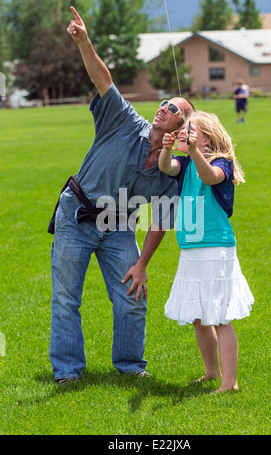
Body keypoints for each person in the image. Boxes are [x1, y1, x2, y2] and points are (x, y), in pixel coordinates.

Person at [48, 6, 194, 383]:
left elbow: (161, 220)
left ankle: (130, 366)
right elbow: (104, 80)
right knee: (66, 300)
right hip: (75, 216)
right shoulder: (124, 119)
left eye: (174, 108)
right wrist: (84, 42)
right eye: (165, 103)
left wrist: (142, 263)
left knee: (132, 296)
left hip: (117, 227)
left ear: (182, 126)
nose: (165, 107)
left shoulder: (170, 170)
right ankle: (67, 373)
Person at [159, 110, 254, 393]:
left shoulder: (220, 163)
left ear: (207, 140)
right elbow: (167, 168)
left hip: (216, 249)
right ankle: (212, 372)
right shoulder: (186, 165)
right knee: (199, 316)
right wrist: (166, 150)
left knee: (220, 316)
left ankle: (230, 381)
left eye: (189, 130)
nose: (182, 133)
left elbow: (210, 177)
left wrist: (195, 154)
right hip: (191, 250)